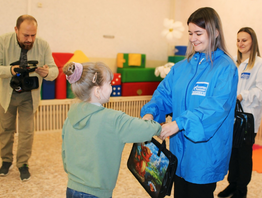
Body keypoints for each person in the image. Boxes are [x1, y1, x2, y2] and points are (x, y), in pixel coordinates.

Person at [141, 7, 238, 198]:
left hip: (205, 153)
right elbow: (164, 94)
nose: (193, 38)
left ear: (215, 32)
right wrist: (150, 112)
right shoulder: (182, 67)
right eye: (190, 33)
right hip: (179, 151)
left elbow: (216, 107)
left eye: (199, 33)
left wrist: (179, 123)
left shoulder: (225, 68)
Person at [61, 61, 162, 198]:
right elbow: (146, 129)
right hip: (97, 194)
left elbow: (65, 154)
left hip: (72, 189)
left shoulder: (70, 117)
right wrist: (158, 126)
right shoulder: (113, 119)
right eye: (109, 83)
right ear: (97, 91)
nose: (111, 87)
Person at [0, 15, 58, 181]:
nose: (30, 39)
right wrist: (11, 70)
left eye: (33, 35)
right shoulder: (3, 41)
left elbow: (54, 71)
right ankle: (6, 161)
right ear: (16, 30)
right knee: (5, 130)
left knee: (26, 132)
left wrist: (48, 72)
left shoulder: (43, 45)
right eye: (26, 35)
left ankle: (23, 163)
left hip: (29, 96)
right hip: (6, 95)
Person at [218, 27, 262, 198]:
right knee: (232, 154)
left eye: (244, 40)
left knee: (244, 156)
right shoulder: (235, 63)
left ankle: (241, 190)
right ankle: (232, 185)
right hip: (232, 117)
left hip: (248, 117)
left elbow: (261, 90)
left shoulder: (259, 64)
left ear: (253, 41)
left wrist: (242, 95)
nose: (240, 43)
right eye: (238, 40)